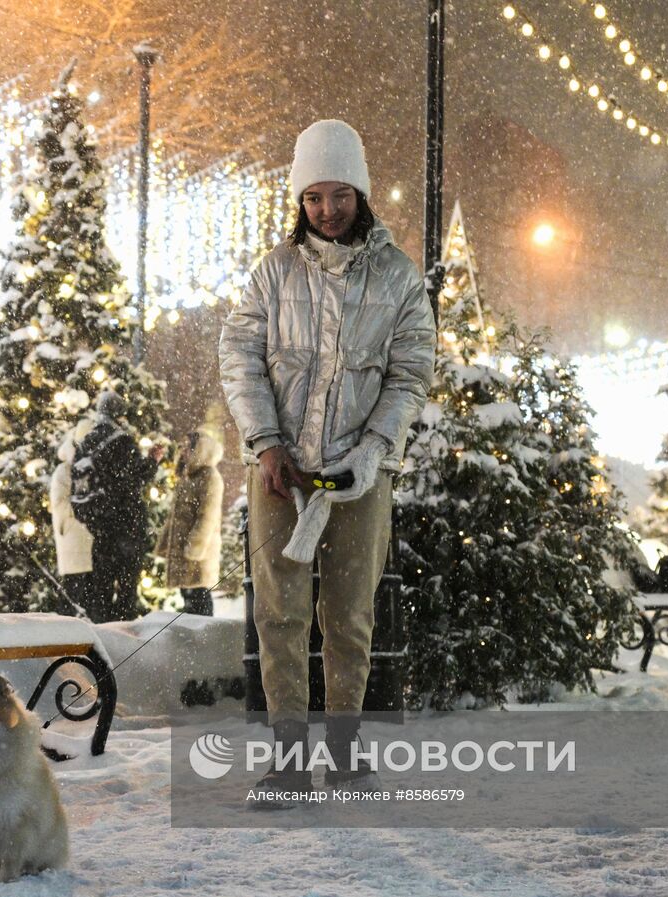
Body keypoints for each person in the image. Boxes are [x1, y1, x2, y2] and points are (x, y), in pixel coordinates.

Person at [219, 119, 436, 797]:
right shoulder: (272, 274)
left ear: (360, 192)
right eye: (313, 197)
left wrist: (373, 451)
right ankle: (288, 757)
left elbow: (411, 372)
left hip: (359, 478)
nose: (326, 210)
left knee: (349, 614)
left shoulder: (399, 279)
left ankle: (344, 751)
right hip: (281, 474)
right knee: (278, 614)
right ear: (299, 199)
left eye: (338, 194)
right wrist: (264, 442)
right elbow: (240, 358)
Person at [70, 390, 162, 623]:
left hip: (99, 526)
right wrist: (152, 461)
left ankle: (101, 631)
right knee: (126, 585)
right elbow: (133, 479)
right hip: (126, 525)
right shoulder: (121, 441)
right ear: (119, 414)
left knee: (101, 583)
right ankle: (122, 635)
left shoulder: (86, 443)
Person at [154, 429, 225, 616]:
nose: (183, 450)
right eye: (182, 446)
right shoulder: (187, 477)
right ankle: (196, 640)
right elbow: (175, 517)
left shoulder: (209, 477)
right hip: (183, 552)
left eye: (188, 446)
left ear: (199, 449)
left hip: (197, 555)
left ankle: (205, 641)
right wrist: (165, 545)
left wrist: (194, 548)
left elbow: (207, 517)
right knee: (189, 599)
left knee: (199, 599)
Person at [49, 421, 95, 618]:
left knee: (90, 598)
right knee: (73, 596)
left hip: (91, 542)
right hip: (73, 539)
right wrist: (84, 514)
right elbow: (60, 503)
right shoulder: (64, 470)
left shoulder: (93, 468)